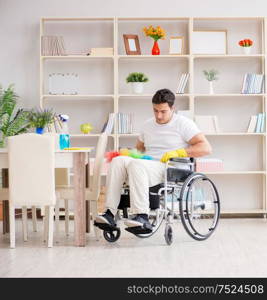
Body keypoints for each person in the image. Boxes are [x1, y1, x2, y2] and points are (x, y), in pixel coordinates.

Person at [96, 88, 212, 232]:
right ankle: (109, 213)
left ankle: (142, 216)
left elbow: (206, 148)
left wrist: (179, 152)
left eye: (163, 111)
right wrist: (128, 153)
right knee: (118, 161)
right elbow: (139, 150)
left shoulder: (183, 123)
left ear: (172, 108)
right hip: (147, 164)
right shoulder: (147, 125)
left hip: (170, 168)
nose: (159, 115)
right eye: (155, 110)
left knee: (136, 165)